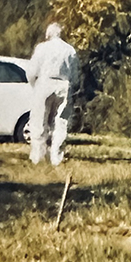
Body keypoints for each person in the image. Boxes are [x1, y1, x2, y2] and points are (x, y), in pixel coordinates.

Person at [26, 22, 79, 166]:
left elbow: (31, 71)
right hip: (64, 85)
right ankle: (57, 158)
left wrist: (34, 85)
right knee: (61, 122)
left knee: (39, 121)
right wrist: (72, 87)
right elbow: (75, 74)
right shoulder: (70, 50)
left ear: (48, 34)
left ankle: (38, 157)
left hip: (45, 83)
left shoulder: (42, 48)